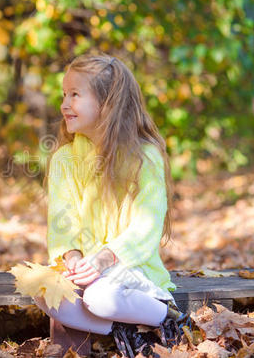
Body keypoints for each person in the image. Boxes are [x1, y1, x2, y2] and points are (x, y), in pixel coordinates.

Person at [36, 54, 188, 357]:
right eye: (64, 95)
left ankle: (167, 317)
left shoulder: (144, 156)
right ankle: (124, 329)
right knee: (44, 292)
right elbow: (62, 220)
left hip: (130, 270)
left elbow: (146, 227)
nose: (65, 104)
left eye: (75, 95)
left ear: (107, 102)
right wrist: (74, 257)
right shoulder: (65, 159)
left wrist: (104, 259)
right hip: (89, 272)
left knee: (101, 298)